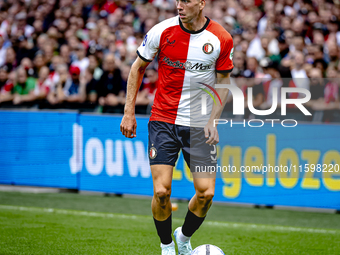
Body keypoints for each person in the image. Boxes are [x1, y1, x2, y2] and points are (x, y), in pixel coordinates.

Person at [120, 0, 233, 254]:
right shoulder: (162, 31)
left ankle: (183, 236)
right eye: (178, 0)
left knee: (206, 194)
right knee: (162, 191)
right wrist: (129, 112)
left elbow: (224, 80)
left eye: (187, 1)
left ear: (201, 3)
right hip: (163, 120)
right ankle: (167, 246)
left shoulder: (221, 38)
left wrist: (213, 119)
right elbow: (137, 68)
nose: (180, 5)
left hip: (199, 125)